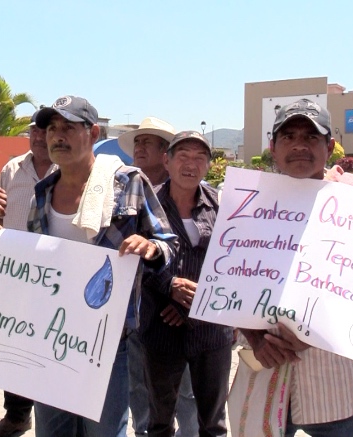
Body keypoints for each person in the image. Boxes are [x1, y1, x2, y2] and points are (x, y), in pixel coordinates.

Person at [22, 95, 176, 437]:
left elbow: (169, 243)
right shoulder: (41, 194)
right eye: (52, 129)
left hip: (106, 341)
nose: (58, 136)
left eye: (68, 128)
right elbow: (32, 263)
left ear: (92, 133)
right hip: (49, 336)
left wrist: (150, 247)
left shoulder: (128, 182)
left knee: (105, 432)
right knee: (52, 431)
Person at [241, 98, 353, 437]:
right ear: (273, 146)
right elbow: (231, 286)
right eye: (289, 136)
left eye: (311, 136)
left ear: (329, 147)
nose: (300, 145)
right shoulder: (244, 207)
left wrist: (316, 334)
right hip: (265, 381)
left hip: (339, 389)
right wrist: (256, 337)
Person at [140, 130, 230, 437]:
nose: (191, 164)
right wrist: (170, 288)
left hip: (211, 331)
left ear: (208, 166)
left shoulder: (223, 207)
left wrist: (192, 305)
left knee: (214, 423)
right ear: (167, 161)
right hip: (161, 327)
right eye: (183, 156)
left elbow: (233, 262)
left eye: (199, 158)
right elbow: (134, 257)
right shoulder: (146, 205)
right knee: (160, 421)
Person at [118, 117, 197, 436]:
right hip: (141, 315)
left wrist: (181, 298)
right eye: (137, 142)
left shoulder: (192, 196)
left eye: (147, 142)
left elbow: (198, 255)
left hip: (184, 316)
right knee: (139, 392)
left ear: (165, 154)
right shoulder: (122, 195)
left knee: (187, 396)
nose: (139, 148)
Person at [0, 110, 57, 437]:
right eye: (34, 132)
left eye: (46, 131)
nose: (40, 138)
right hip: (14, 274)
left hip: (56, 276)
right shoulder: (12, 169)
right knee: (13, 348)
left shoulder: (70, 168)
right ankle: (16, 416)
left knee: (52, 347)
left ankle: (54, 419)